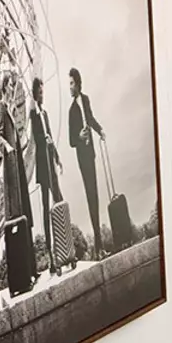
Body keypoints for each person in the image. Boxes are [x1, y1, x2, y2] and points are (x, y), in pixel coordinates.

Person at [0, 77, 37, 296]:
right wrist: (8, 148)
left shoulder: (10, 108)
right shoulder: (1, 107)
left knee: (23, 214)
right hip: (10, 165)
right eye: (11, 86)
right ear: (5, 87)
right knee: (16, 214)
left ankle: (30, 270)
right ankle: (22, 275)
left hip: (17, 163)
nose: (13, 89)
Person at [66, 67, 105, 258]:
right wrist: (79, 137)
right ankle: (97, 247)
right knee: (90, 196)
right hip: (82, 157)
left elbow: (90, 118)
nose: (70, 87)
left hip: (91, 154)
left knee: (95, 195)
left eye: (72, 83)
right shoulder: (71, 111)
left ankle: (99, 246)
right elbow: (71, 141)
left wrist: (100, 130)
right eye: (69, 84)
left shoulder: (86, 100)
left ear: (78, 83)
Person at [29, 77, 64, 273]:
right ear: (35, 94)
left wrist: (57, 158)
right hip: (43, 168)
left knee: (59, 201)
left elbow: (50, 135)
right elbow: (38, 138)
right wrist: (46, 141)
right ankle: (52, 256)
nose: (42, 95)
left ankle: (65, 247)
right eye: (40, 92)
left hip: (51, 164)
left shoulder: (45, 114)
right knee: (45, 208)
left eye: (43, 92)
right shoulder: (33, 115)